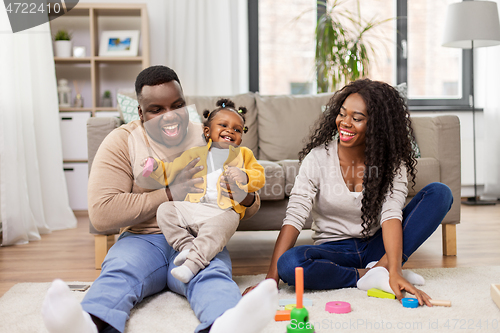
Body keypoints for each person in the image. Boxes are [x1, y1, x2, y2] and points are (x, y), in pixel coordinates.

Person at [41, 65, 277, 333]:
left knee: (212, 276)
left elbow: (252, 201)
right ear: (141, 113)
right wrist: (169, 192)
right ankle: (88, 323)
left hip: (199, 238)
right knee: (119, 272)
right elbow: (101, 212)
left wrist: (243, 196)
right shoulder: (121, 141)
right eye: (156, 109)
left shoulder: (210, 135)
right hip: (143, 239)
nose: (170, 117)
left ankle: (225, 324)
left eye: (177, 106)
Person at [244, 79, 453, 307]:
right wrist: (270, 281)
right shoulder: (318, 158)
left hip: (376, 244)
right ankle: (367, 275)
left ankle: (385, 267)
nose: (345, 123)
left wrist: (394, 269)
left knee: (439, 193)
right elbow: (294, 216)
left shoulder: (391, 163)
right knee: (290, 263)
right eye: (342, 114)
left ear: (377, 125)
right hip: (334, 250)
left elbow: (391, 214)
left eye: (357, 118)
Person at [147, 98, 265, 283]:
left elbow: (260, 175)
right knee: (165, 210)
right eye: (223, 125)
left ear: (241, 137)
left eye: (237, 129)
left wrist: (246, 176)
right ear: (207, 131)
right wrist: (154, 167)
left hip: (223, 212)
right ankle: (186, 246)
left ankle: (191, 265)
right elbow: (172, 169)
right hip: (194, 207)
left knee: (219, 228)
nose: (230, 131)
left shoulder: (244, 155)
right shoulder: (195, 154)